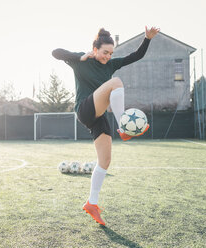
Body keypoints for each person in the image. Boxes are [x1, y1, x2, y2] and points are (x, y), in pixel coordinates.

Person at [52, 26, 160, 225]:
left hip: (98, 115)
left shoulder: (110, 65)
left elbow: (136, 55)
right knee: (116, 82)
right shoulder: (80, 62)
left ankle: (92, 203)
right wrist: (79, 57)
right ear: (95, 50)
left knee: (105, 161)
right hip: (85, 109)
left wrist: (147, 39)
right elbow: (55, 53)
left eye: (111, 53)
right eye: (104, 52)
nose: (108, 57)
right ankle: (123, 128)